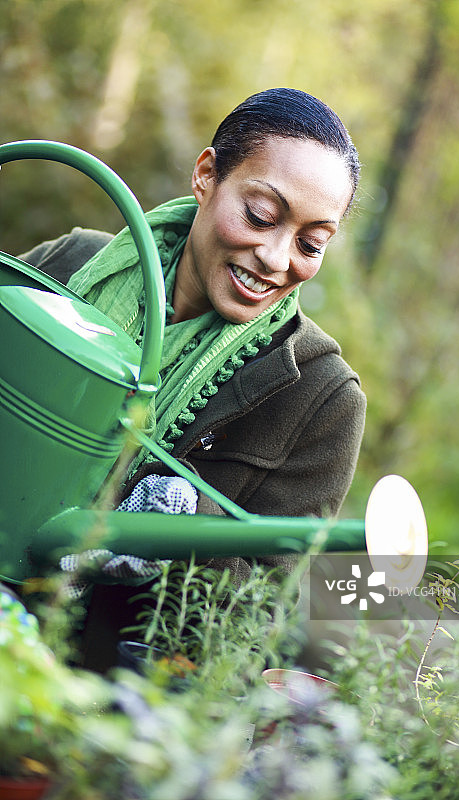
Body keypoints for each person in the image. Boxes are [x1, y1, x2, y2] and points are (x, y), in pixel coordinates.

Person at [21, 88, 366, 671]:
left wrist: (184, 533)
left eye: (311, 243)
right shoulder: (70, 264)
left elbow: (251, 619)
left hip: (92, 697)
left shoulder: (319, 396)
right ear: (206, 175)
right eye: (261, 216)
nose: (278, 258)